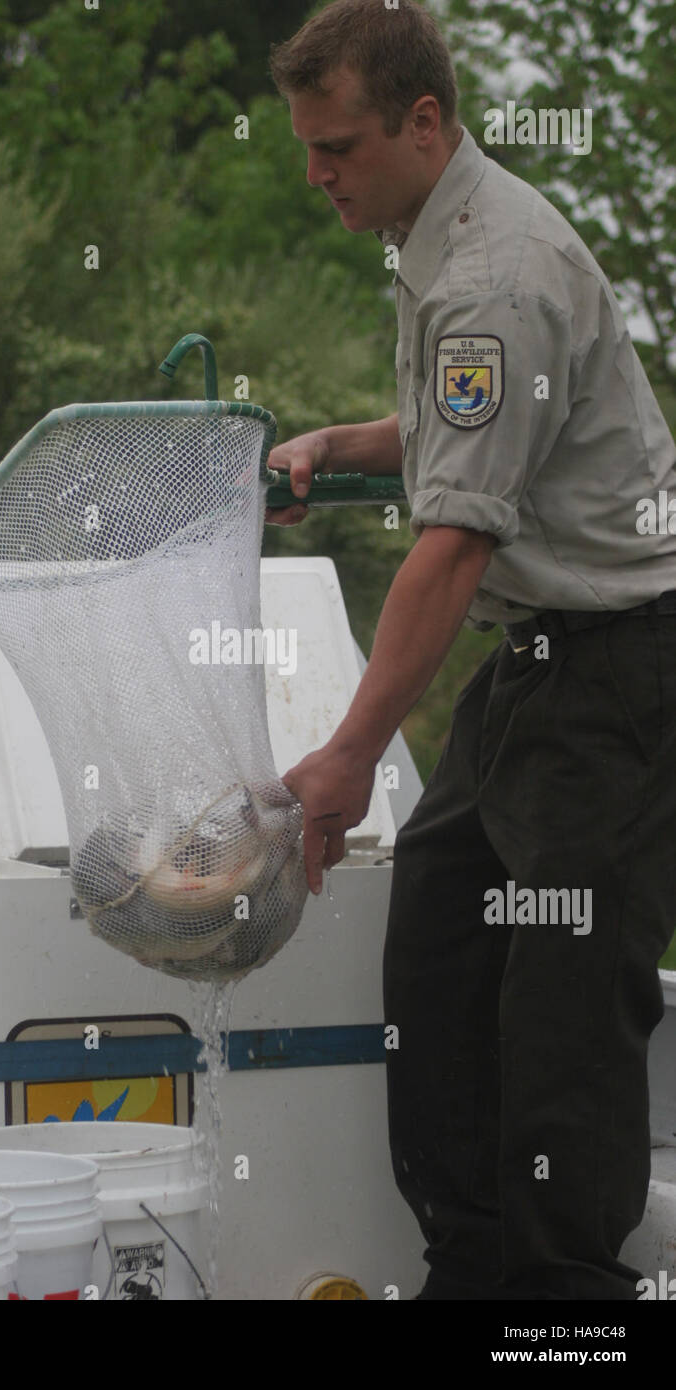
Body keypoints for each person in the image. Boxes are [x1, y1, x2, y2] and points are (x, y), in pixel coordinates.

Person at [267, 0, 676, 1300]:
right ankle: (470, 1268)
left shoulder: (495, 279)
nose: (316, 176)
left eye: (336, 147)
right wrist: (337, 444)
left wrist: (344, 756)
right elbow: (454, 424)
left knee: (558, 1008)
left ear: (423, 120)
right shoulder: (439, 247)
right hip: (538, 667)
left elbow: (447, 551)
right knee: (437, 956)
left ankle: (562, 1305)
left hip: (618, 666)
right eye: (307, 149)